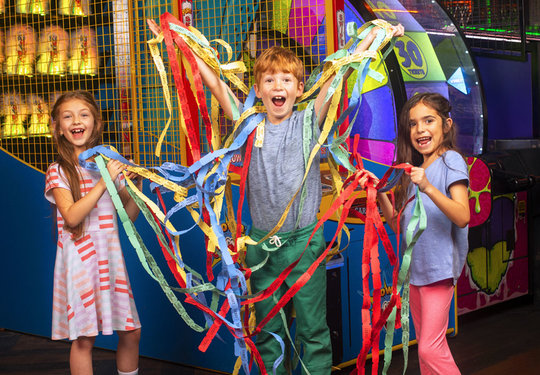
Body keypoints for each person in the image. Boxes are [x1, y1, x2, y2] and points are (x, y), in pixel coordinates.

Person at [148, 19, 403, 374]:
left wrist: (374, 35)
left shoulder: (310, 122)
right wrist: (180, 42)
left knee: (313, 330)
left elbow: (339, 74)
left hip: (304, 245)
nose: (277, 86)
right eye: (269, 80)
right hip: (261, 249)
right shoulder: (248, 126)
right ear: (258, 88)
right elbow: (218, 85)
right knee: (267, 332)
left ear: (300, 88)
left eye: (286, 80)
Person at [44, 91, 143, 375]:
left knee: (131, 331)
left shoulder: (107, 167)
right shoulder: (58, 171)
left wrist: (134, 189)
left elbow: (129, 217)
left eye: (84, 114)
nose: (77, 121)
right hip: (80, 266)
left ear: (96, 123)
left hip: (110, 261)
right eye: (68, 116)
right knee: (85, 338)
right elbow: (72, 216)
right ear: (58, 127)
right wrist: (104, 182)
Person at [376, 92, 470, 374]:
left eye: (428, 120)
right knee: (427, 349)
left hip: (439, 270)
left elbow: (463, 216)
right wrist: (380, 194)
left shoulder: (451, 161)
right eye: (414, 123)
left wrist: (428, 187)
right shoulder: (414, 171)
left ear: (447, 124)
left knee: (430, 347)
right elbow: (400, 226)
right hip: (415, 272)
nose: (420, 129)